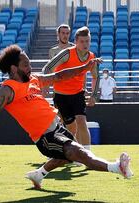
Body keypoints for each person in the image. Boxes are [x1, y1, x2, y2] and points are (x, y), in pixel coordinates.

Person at [0, 45, 133, 189]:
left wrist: (85, 67)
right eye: (26, 65)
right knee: (79, 153)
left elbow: (59, 76)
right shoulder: (7, 90)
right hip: (44, 136)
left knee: (65, 157)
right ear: (13, 68)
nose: (29, 67)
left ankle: (38, 175)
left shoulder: (33, 79)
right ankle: (117, 167)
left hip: (57, 126)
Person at [42, 26, 98, 154]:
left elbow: (95, 76)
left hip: (78, 94)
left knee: (82, 121)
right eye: (82, 41)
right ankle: (63, 152)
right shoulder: (67, 53)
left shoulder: (91, 57)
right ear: (76, 42)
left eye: (87, 41)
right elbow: (48, 68)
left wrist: (94, 95)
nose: (85, 44)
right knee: (71, 128)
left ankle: (88, 155)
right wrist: (45, 86)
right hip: (61, 96)